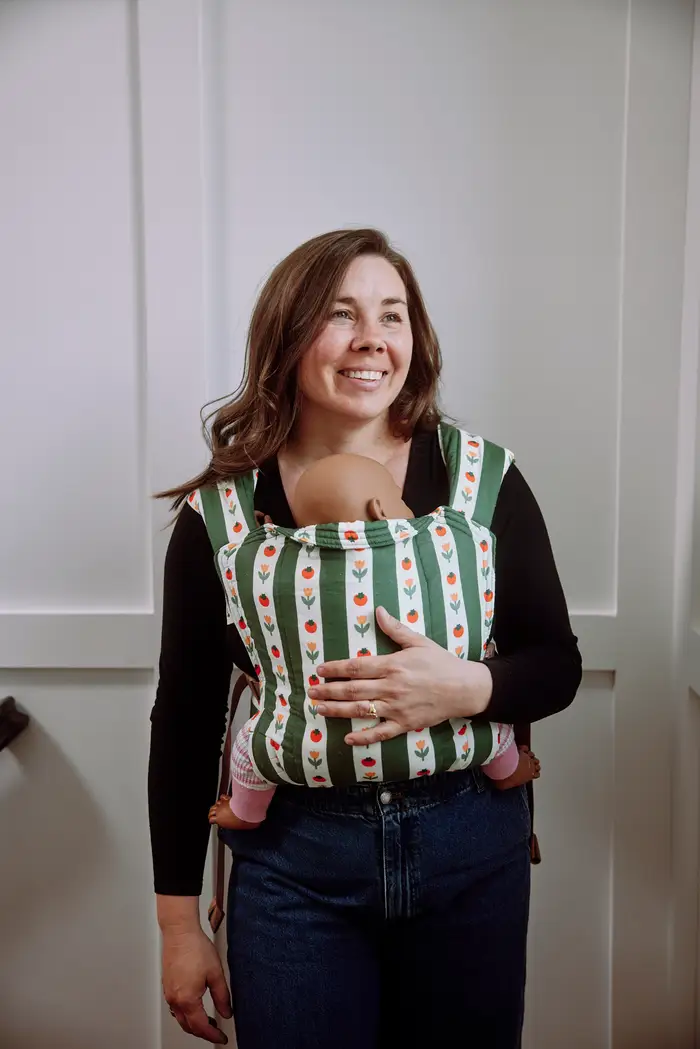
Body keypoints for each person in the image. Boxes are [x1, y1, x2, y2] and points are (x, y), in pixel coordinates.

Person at [149, 228, 582, 1049]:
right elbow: (184, 720)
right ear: (288, 332)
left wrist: (466, 687)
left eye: (393, 314)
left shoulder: (481, 478)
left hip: (470, 850)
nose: (372, 339)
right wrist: (179, 926)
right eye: (341, 314)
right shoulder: (221, 513)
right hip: (292, 865)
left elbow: (557, 665)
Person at [207, 453, 541, 832]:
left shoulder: (257, 561)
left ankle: (247, 812)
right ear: (380, 509)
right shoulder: (455, 538)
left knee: (250, 749)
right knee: (494, 732)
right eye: (401, 499)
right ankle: (508, 771)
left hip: (308, 756)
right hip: (457, 754)